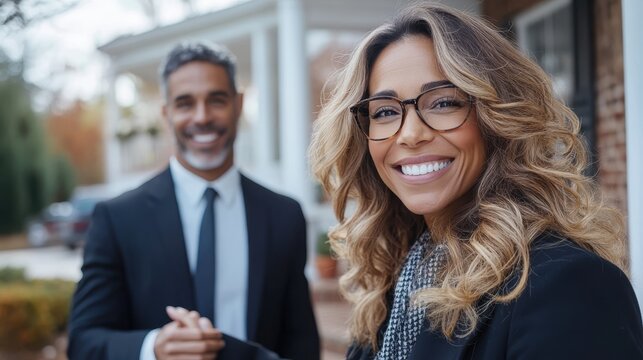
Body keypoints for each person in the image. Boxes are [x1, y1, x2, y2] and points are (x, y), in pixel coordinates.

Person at [309, 3, 643, 360]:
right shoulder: (399, 280)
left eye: (444, 103)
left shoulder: (569, 286)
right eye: (385, 112)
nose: (410, 134)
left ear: (496, 117)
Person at [68, 42, 320, 360]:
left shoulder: (284, 215)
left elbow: (301, 342)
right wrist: (152, 348)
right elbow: (84, 342)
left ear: (238, 104)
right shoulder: (117, 218)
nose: (202, 117)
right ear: (166, 113)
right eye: (185, 104)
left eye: (216, 100)